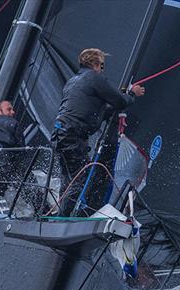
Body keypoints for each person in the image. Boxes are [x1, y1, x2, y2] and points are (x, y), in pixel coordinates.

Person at [52, 48, 145, 211]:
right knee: (79, 178)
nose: (102, 70)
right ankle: (64, 218)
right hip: (72, 136)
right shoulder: (94, 78)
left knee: (70, 179)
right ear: (95, 64)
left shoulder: (74, 80)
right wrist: (132, 93)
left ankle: (62, 214)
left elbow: (94, 110)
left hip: (61, 134)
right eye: (102, 66)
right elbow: (121, 101)